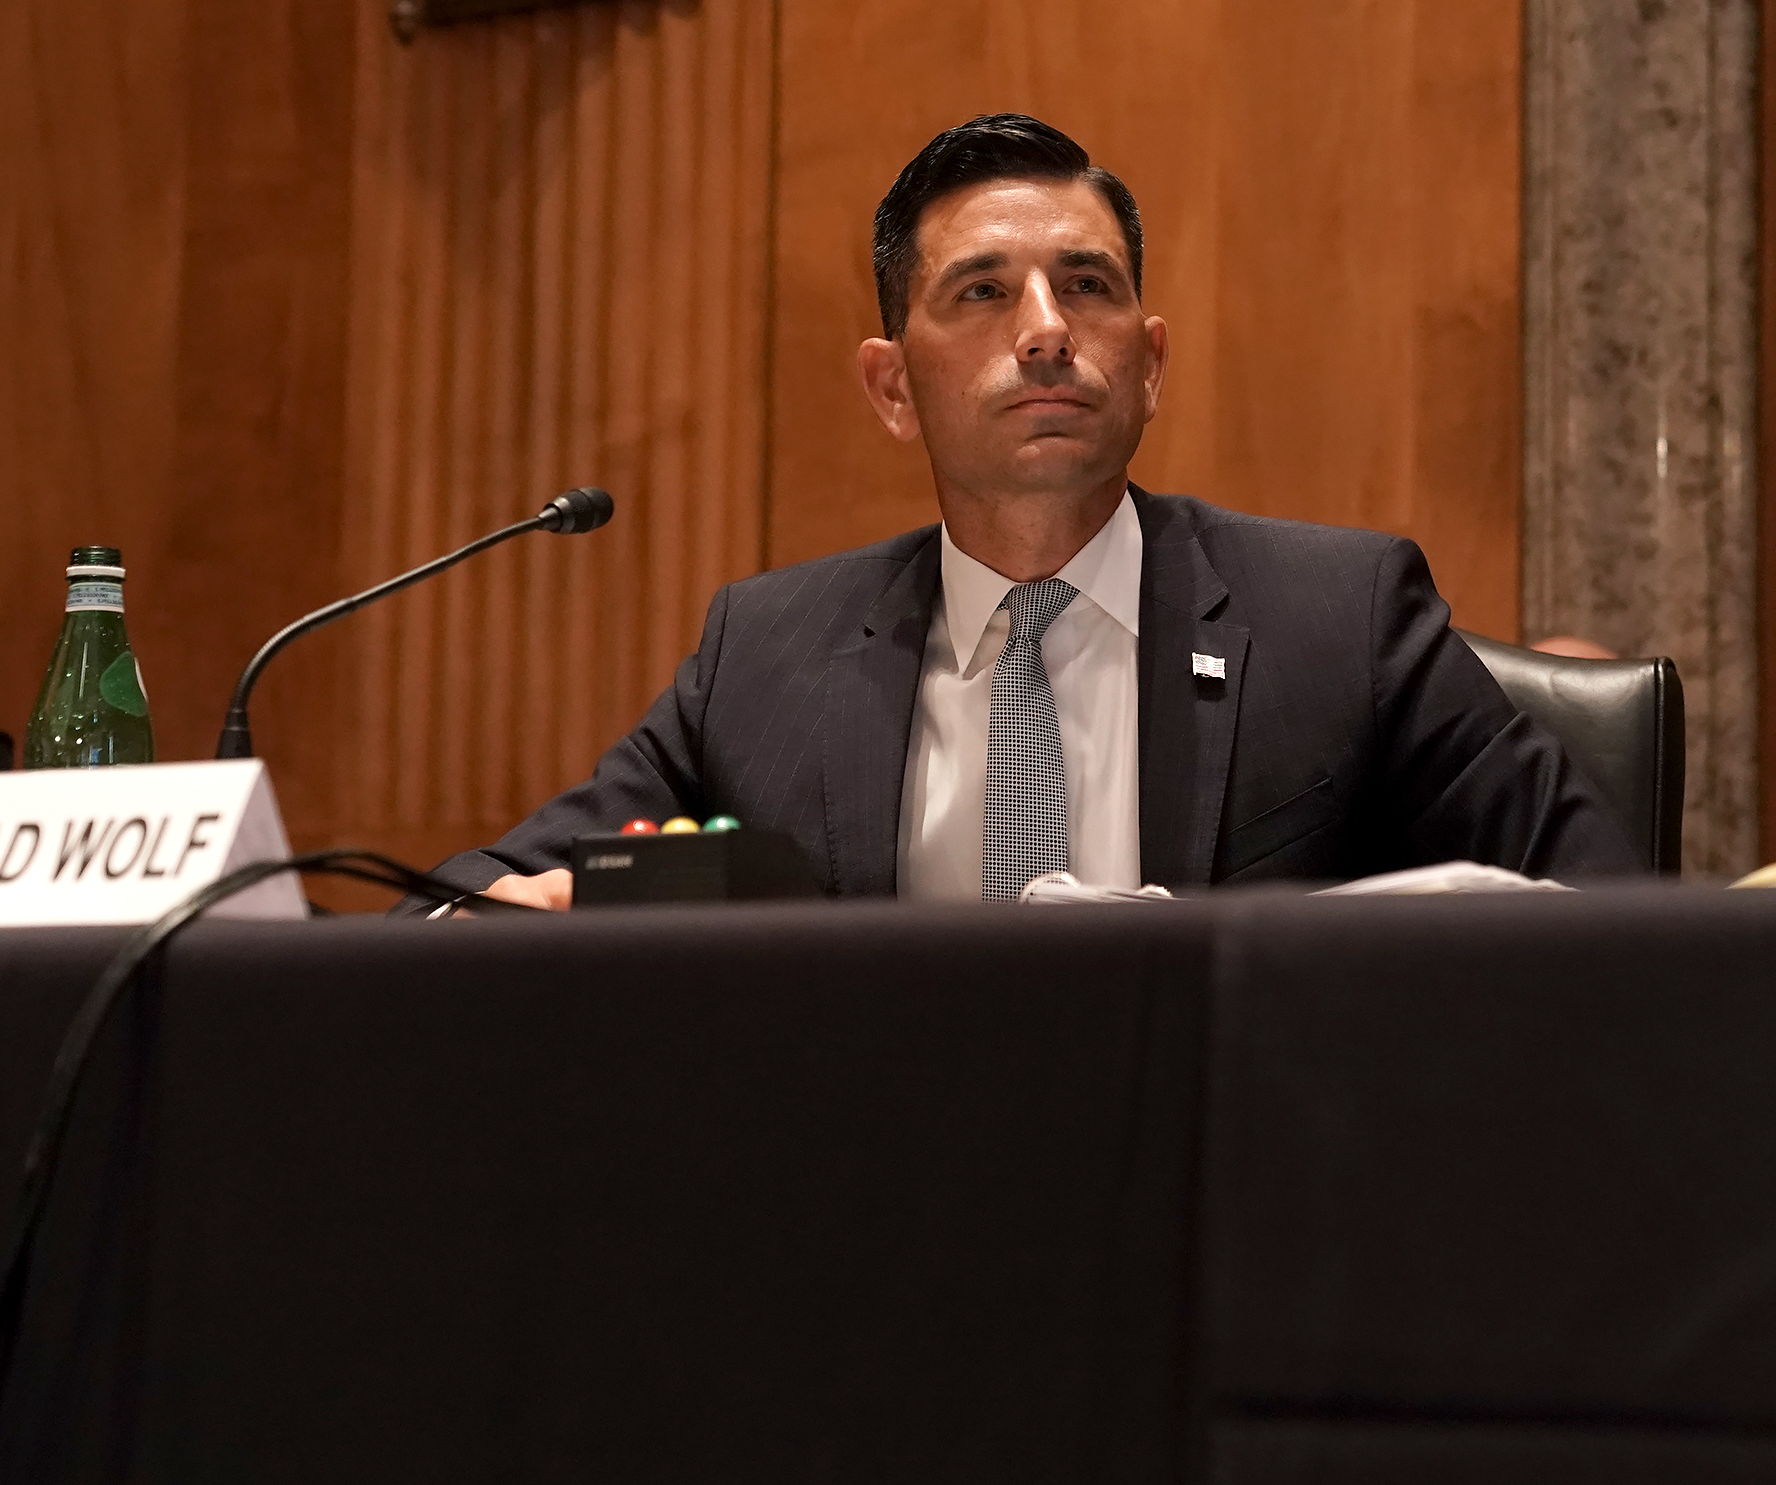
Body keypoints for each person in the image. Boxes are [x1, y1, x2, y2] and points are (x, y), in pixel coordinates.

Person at [431, 113, 1637, 909]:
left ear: (1150, 362)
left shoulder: (1339, 616)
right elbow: (469, 896)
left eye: (1089, 286)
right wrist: (517, 908)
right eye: (984, 290)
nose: (1048, 327)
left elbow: (1604, 906)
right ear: (893, 386)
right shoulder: (768, 657)